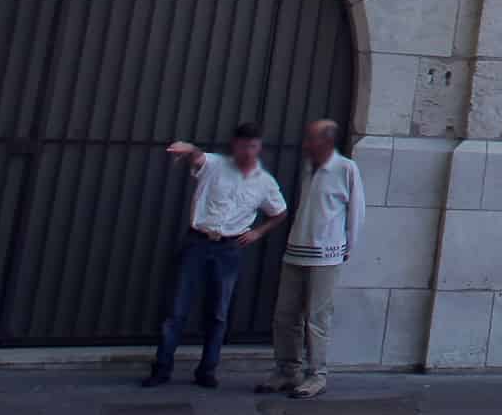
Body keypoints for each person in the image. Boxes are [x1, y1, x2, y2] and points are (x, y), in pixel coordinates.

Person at [145, 124, 285, 390]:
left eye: (253, 146)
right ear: (235, 146)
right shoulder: (216, 165)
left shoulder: (265, 183)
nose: (248, 151)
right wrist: (188, 148)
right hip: (197, 241)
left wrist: (257, 233)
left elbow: (279, 212)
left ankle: (207, 370)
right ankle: (161, 368)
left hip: (230, 248)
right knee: (177, 308)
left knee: (218, 313)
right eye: (243, 145)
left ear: (259, 148)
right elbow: (197, 156)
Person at [263, 121, 358, 399]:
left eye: (312, 139)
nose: (306, 143)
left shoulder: (346, 168)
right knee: (285, 315)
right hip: (296, 249)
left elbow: (356, 210)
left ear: (326, 141)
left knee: (317, 318)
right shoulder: (309, 168)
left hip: (325, 255)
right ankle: (287, 369)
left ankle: (317, 375)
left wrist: (346, 247)